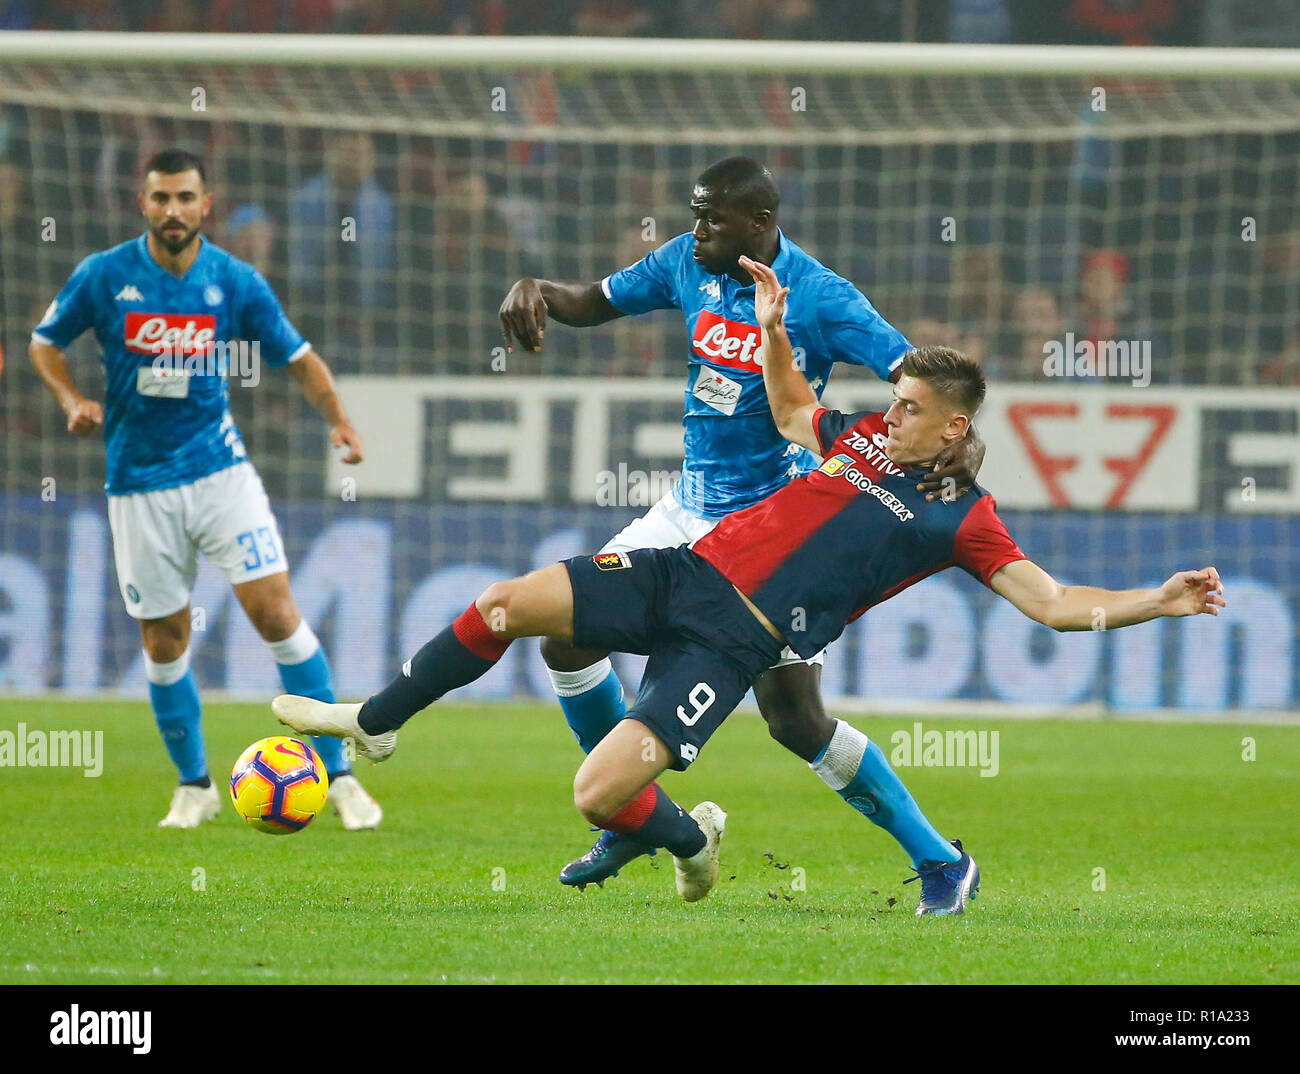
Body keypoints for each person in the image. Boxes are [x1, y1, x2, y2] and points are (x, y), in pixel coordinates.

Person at [275, 256, 1225, 913]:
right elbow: (787, 406)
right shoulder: (858, 438)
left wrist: (1162, 600)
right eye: (891, 402)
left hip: (735, 640)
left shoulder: (963, 519)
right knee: (508, 605)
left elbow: (1053, 606)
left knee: (600, 790)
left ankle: (703, 842)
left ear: (951, 429)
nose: (887, 417)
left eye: (908, 410)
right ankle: (378, 716)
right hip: (682, 571)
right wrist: (773, 331)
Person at [497, 155, 985, 889]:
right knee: (565, 639)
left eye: (712, 219)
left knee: (794, 720)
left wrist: (966, 434)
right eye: (693, 213)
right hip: (685, 509)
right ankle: (631, 816)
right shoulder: (681, 263)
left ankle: (942, 861)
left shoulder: (821, 295)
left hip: (773, 531)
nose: (695, 230)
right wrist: (539, 292)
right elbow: (593, 301)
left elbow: (914, 374)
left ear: (759, 224)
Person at [29, 148, 384, 830]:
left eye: (185, 198)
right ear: (144, 204)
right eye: (161, 198)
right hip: (137, 483)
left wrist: (339, 421)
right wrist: (71, 397)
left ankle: (339, 778)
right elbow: (44, 342)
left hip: (221, 473)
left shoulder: (234, 279)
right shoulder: (103, 277)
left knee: (277, 614)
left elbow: (299, 358)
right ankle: (194, 785)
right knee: (164, 641)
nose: (173, 210)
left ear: (206, 204)